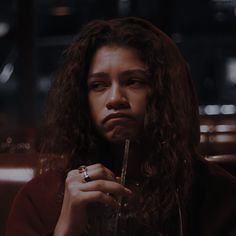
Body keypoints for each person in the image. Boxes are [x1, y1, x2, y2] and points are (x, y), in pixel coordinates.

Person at [5, 17, 236, 236]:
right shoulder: (40, 198)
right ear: (82, 99)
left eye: (133, 81)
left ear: (164, 92)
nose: (115, 98)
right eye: (98, 85)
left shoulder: (217, 194)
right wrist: (66, 229)